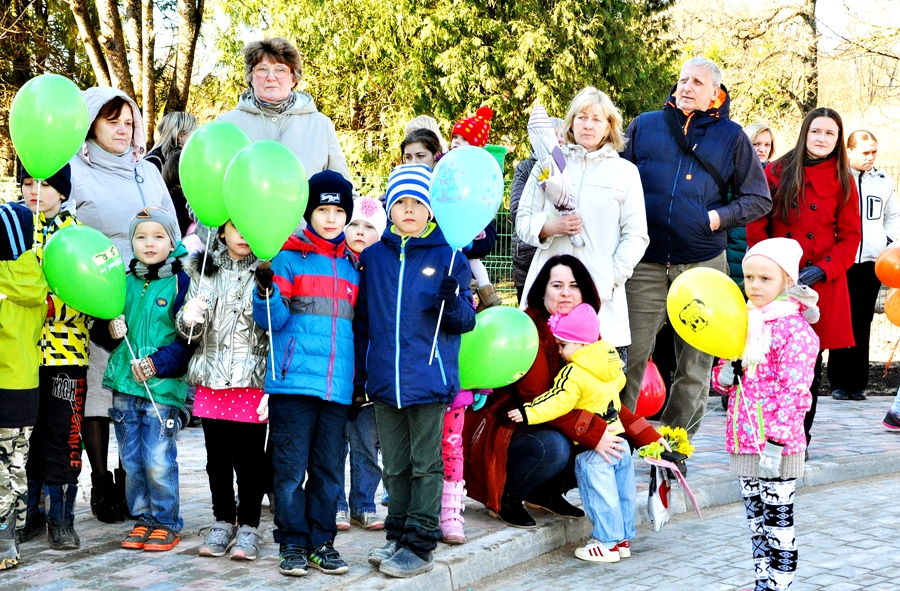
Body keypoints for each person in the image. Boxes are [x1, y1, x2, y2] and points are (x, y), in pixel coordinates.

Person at [621, 57, 772, 436]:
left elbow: (759, 198)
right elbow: (617, 181)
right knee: (630, 356)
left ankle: (675, 444)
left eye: (697, 82)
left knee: (694, 364)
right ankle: (615, 441)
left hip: (704, 265)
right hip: (646, 262)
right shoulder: (645, 126)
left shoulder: (733, 137)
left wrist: (716, 218)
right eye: (683, 79)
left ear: (714, 93)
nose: (686, 87)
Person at [354, 164, 475, 578]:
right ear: (388, 208)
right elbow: (363, 321)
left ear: (431, 210)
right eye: (401, 202)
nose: (409, 210)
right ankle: (398, 533)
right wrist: (361, 375)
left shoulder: (449, 256)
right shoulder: (373, 257)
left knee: (425, 463)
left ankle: (421, 542)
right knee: (395, 465)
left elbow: (466, 321)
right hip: (385, 381)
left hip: (428, 380)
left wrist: (454, 301)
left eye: (418, 203)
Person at [67, 87, 178, 523]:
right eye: (111, 119)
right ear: (91, 122)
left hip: (148, 294)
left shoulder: (146, 172)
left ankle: (130, 473)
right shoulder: (72, 171)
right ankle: (100, 479)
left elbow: (169, 224)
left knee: (138, 384)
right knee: (99, 386)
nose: (121, 128)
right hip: (94, 292)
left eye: (128, 121)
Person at [464, 255, 636, 528]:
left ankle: (543, 492)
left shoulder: (587, 334)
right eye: (557, 285)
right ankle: (508, 496)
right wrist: (595, 433)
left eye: (574, 285)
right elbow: (541, 399)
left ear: (585, 292)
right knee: (555, 447)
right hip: (516, 422)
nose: (566, 293)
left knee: (621, 438)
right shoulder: (529, 328)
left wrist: (646, 435)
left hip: (558, 417)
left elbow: (605, 397)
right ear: (542, 291)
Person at [252, 171, 357, 577]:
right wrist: (265, 290)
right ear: (308, 212)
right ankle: (292, 542)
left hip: (337, 387)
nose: (330, 219)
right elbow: (272, 322)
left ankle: (322, 542)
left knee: (329, 470)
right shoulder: (287, 256)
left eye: (337, 211)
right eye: (322, 210)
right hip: (293, 382)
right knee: (291, 470)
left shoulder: (352, 265)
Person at [508, 303, 664, 563]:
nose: (560, 352)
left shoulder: (575, 372)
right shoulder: (611, 367)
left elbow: (557, 402)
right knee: (622, 492)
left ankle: (605, 542)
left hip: (595, 448)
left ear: (580, 345)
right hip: (619, 442)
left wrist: (527, 412)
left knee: (600, 494)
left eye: (563, 345)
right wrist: (652, 436)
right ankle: (623, 539)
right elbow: (617, 404)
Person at [746, 107, 861, 449]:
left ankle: (799, 437)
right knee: (767, 359)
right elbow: (757, 225)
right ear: (805, 133)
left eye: (830, 133)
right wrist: (770, 269)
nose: (822, 138)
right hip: (778, 285)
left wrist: (822, 269)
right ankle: (761, 432)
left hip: (821, 286)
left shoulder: (844, 180)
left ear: (838, 140)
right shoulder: (776, 171)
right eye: (816, 132)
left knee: (806, 367)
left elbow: (850, 237)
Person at [712, 238, 819, 591]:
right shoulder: (746, 322)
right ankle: (762, 582)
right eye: (749, 277)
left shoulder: (795, 331)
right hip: (745, 439)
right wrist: (724, 375)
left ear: (787, 280)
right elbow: (732, 379)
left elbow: (795, 394)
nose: (754, 285)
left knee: (778, 525)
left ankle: (780, 585)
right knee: (756, 523)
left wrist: (777, 442)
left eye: (765, 278)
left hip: (777, 447)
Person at [518, 86, 649, 359]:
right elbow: (523, 221)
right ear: (571, 121)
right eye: (581, 117)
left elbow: (636, 235)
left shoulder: (625, 172)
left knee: (594, 389)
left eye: (596, 119)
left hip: (600, 297)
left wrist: (609, 276)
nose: (587, 125)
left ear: (609, 126)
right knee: (542, 379)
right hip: (549, 292)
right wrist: (551, 227)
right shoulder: (548, 163)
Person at [97, 207, 191, 552]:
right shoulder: (123, 279)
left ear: (172, 241)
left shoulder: (181, 281)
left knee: (157, 458)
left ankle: (166, 520)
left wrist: (156, 364)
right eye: (141, 236)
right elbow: (105, 329)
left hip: (161, 388)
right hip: (124, 385)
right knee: (132, 459)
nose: (149, 243)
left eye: (158, 236)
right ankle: (143, 517)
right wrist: (109, 329)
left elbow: (188, 340)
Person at [176, 220, 269, 560]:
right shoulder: (204, 271)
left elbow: (274, 329)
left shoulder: (265, 271)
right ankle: (221, 521)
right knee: (217, 460)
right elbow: (189, 336)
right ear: (221, 232)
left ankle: (248, 526)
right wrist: (189, 317)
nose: (243, 234)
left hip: (250, 380)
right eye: (235, 227)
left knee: (249, 461)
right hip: (211, 378)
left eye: (250, 225)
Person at [18, 166, 89, 550]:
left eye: (44, 184)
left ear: (62, 191)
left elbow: (82, 292)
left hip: (65, 355)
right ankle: (31, 512)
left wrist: (36, 304)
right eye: (28, 183)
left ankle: (63, 518)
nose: (35, 191)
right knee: (26, 435)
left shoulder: (75, 235)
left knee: (64, 434)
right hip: (22, 353)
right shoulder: (14, 229)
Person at [827, 130, 899, 401]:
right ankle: (837, 382)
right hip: (841, 262)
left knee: (863, 321)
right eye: (865, 152)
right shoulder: (835, 179)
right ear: (849, 152)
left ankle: (857, 383)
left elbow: (894, 215)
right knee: (839, 319)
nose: (870, 157)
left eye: (874, 152)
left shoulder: (883, 181)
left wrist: (887, 241)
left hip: (870, 262)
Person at [219, 37, 350, 181]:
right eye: (262, 69)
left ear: (294, 78)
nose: (271, 77)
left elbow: (343, 188)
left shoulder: (320, 125)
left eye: (280, 70)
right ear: (250, 77)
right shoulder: (226, 125)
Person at [0, 202, 48, 570]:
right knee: (16, 464)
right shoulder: (36, 275)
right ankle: (10, 536)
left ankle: (3, 540)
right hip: (26, 385)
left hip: (3, 385)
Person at [336, 197, 387, 532]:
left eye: (369, 227)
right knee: (334, 444)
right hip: (338, 369)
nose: (359, 231)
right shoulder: (335, 264)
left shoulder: (380, 271)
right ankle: (335, 503)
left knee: (367, 445)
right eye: (354, 223)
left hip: (369, 373)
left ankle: (364, 502)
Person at [449, 106, 502, 309]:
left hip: (470, 220)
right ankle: (475, 287)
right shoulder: (448, 162)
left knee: (471, 257)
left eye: (463, 139)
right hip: (454, 220)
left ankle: (485, 291)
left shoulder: (476, 167)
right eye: (455, 137)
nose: (456, 142)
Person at [510, 117, 564, 304]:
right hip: (528, 255)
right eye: (554, 136)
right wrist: (551, 221)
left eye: (562, 135)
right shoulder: (526, 168)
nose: (559, 140)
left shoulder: (570, 168)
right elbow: (517, 210)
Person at [727, 122, 777, 289]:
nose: (762, 149)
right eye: (756, 144)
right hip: (731, 257)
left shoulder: (777, 179)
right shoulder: (731, 177)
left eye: (767, 145)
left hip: (763, 260)